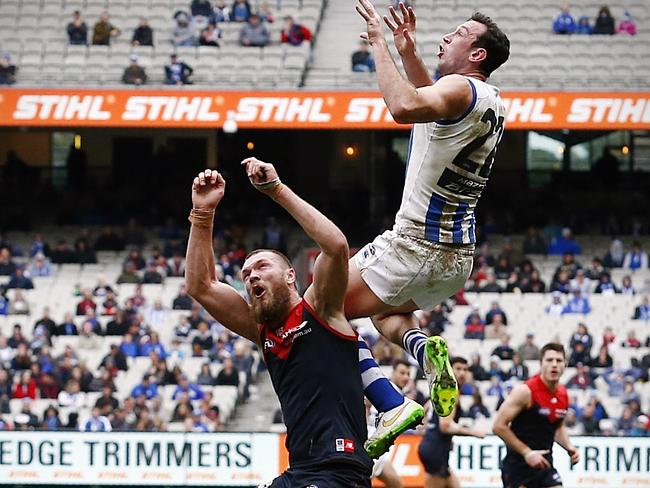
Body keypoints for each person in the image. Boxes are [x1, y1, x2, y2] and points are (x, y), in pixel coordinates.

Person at [185, 160, 418, 483]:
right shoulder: (261, 329)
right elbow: (201, 286)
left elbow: (335, 246)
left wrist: (276, 190)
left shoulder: (321, 307)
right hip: (299, 471)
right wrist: (202, 214)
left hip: (340, 470)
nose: (252, 275)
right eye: (246, 274)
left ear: (291, 275)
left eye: (262, 266)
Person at [353, 0, 509, 419]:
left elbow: (405, 108)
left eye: (458, 34)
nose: (447, 36)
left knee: (315, 309)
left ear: (477, 54)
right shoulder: (488, 99)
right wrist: (408, 52)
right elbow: (429, 111)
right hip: (456, 260)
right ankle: (422, 347)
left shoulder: (460, 88)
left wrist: (378, 42)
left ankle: (388, 406)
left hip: (415, 245)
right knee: (384, 312)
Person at [493, 343, 579, 488]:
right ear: (541, 364)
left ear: (565, 365)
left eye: (558, 361)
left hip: (545, 465)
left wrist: (569, 447)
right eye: (549, 360)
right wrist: (527, 453)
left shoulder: (563, 394)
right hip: (518, 467)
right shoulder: (526, 391)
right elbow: (498, 426)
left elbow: (556, 426)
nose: (554, 365)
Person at [418, 356, 485, 488]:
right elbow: (445, 426)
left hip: (433, 446)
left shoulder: (441, 388)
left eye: (465, 369)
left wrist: (431, 430)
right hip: (435, 450)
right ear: (449, 370)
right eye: (458, 369)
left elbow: (425, 412)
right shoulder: (451, 392)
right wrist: (474, 433)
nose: (462, 373)